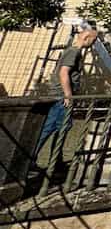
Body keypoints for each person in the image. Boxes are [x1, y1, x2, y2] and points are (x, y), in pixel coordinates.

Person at [35, 25, 98, 161]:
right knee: (50, 128)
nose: (94, 43)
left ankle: (56, 161)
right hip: (61, 97)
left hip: (61, 97)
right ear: (87, 38)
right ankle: (27, 160)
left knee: (61, 128)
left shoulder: (73, 52)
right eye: (94, 40)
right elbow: (64, 73)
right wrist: (68, 95)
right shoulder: (73, 52)